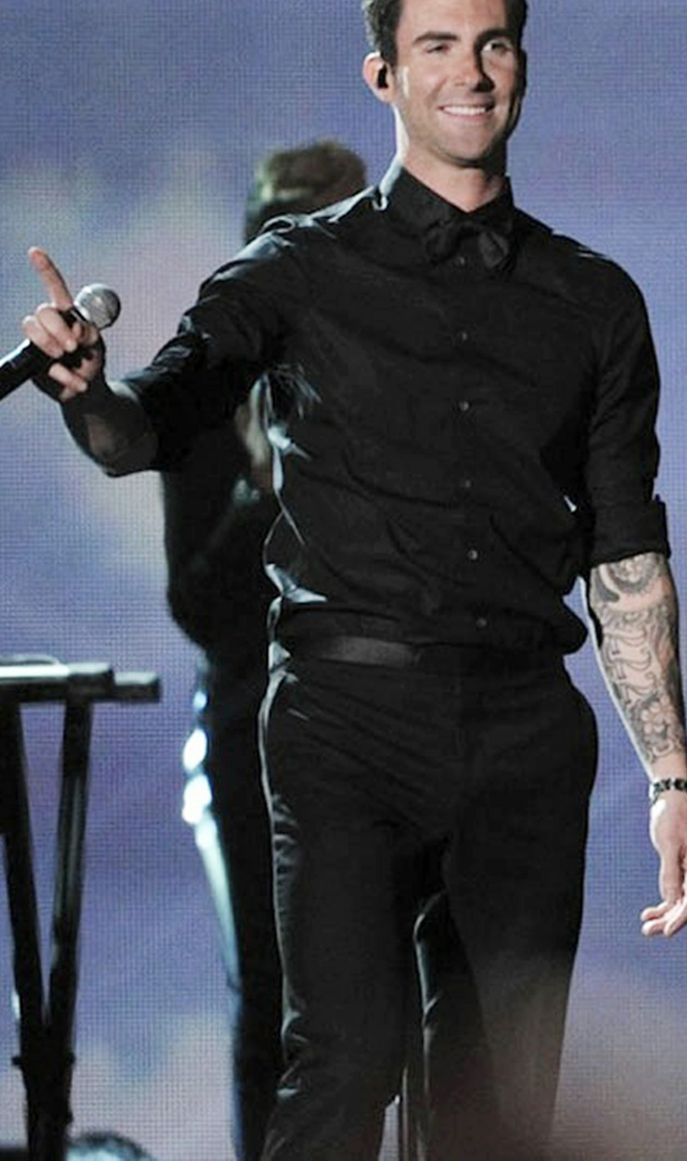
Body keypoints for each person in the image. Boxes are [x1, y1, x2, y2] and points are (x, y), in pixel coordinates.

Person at [22, 0, 687, 1159]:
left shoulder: (593, 300)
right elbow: (149, 425)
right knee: (340, 1065)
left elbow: (624, 548)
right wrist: (85, 390)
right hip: (346, 715)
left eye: (493, 44)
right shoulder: (297, 269)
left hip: (521, 726)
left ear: (522, 65)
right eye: (437, 45)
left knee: (501, 1104)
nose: (471, 72)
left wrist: (670, 781)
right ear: (383, 75)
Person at [163, 140, 366, 1161]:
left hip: (396, 724)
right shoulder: (207, 391)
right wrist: (263, 489)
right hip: (252, 729)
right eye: (280, 230)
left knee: (415, 993)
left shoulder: (406, 384)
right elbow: (198, 602)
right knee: (274, 997)